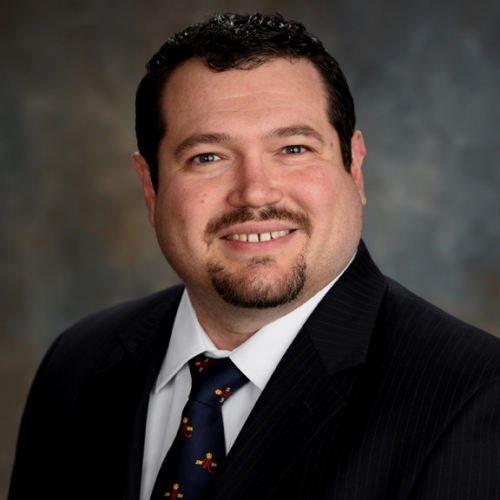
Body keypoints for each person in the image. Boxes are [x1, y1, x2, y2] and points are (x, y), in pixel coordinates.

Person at [8, 13, 500, 500]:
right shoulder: (77, 362)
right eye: (207, 157)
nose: (255, 193)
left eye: (293, 148)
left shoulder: (473, 394)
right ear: (150, 188)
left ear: (355, 169)